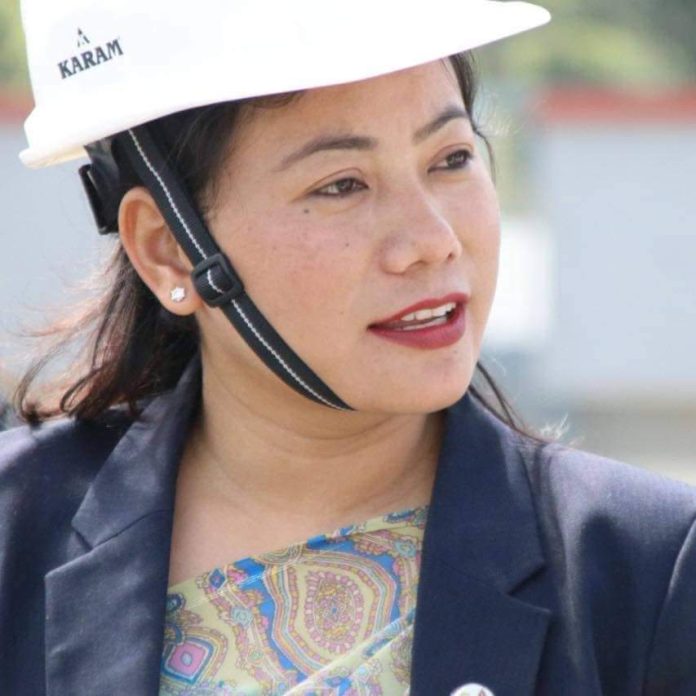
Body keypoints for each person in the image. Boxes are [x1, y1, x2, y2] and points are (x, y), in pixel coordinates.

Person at [1, 1, 695, 695]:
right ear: (168, 249)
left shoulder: (646, 573)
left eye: (451, 158)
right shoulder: (14, 536)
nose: (433, 241)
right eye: (342, 185)